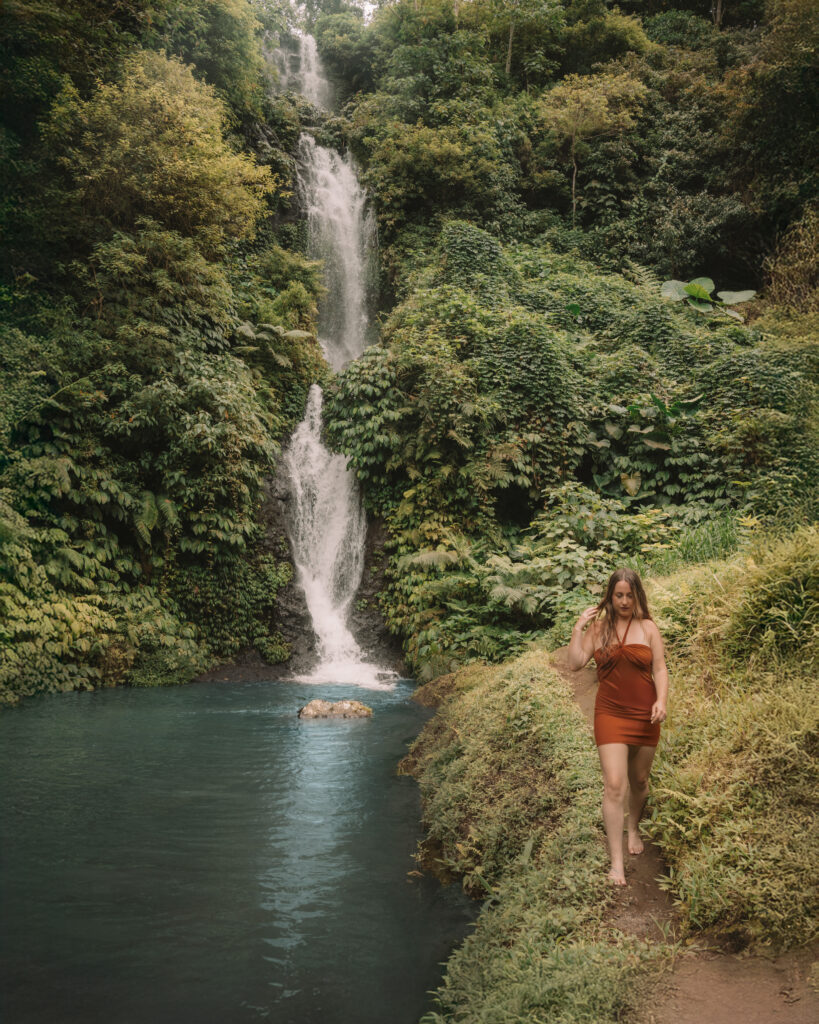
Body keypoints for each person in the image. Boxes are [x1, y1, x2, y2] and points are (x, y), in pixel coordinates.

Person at [567, 567, 668, 886]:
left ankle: (633, 827)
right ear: (610, 596)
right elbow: (575, 662)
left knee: (639, 780)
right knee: (614, 784)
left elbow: (661, 668)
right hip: (609, 712)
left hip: (645, 715)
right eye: (618, 595)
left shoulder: (649, 627)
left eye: (629, 595)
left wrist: (661, 701)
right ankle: (616, 864)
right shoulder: (599, 628)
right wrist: (578, 628)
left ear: (637, 595)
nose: (624, 601)